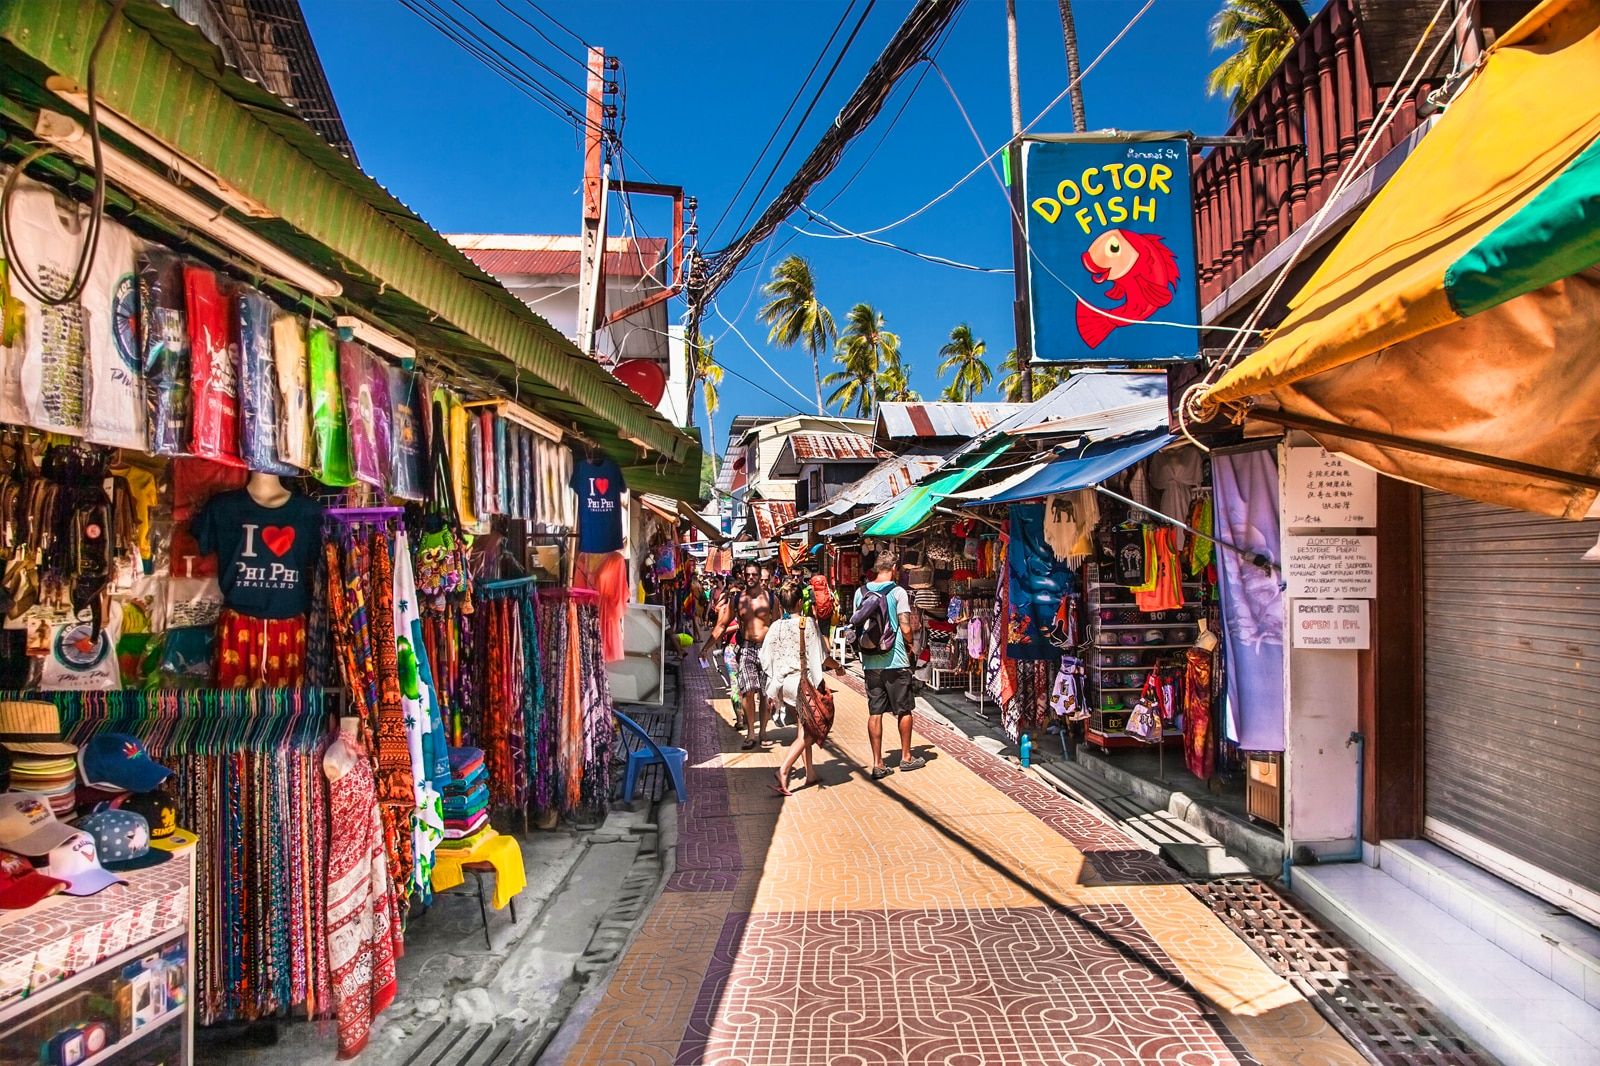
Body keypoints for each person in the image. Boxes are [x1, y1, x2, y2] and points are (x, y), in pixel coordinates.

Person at [761, 583, 843, 794]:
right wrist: (839, 667)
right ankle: (784, 769)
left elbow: (765, 657)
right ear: (800, 602)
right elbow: (822, 657)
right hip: (802, 684)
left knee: (803, 726)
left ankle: (810, 773)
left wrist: (774, 684)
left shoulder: (775, 626)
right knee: (809, 731)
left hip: (784, 685)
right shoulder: (809, 624)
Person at [852, 550, 925, 779]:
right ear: (894, 568)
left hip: (871, 662)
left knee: (875, 712)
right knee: (904, 709)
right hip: (896, 661)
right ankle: (906, 757)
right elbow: (905, 626)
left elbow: (856, 625)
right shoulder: (898, 592)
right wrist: (912, 646)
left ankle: (878, 762)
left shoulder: (860, 592)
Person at [735, 563, 775, 748]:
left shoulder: (770, 598)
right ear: (744, 576)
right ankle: (751, 733)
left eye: (754, 575)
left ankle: (763, 731)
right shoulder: (738, 599)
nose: (751, 577)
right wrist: (707, 647)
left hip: (766, 648)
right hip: (747, 647)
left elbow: (778, 623)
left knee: (766, 694)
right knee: (748, 690)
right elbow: (723, 622)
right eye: (748, 574)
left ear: (760, 576)